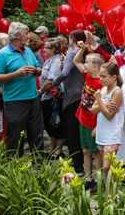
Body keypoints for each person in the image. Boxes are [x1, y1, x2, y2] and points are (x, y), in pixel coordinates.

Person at [0, 22, 43, 158]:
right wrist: (16, 74)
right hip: (15, 101)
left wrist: (35, 70)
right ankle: (15, 167)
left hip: (32, 99)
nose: (29, 36)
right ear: (18, 35)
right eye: (26, 33)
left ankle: (39, 165)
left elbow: (40, 70)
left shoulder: (28, 51)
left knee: (36, 133)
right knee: (16, 136)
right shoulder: (2, 54)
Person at [72, 39, 105, 193]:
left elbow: (103, 106)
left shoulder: (101, 83)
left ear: (95, 66)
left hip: (93, 121)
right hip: (82, 117)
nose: (84, 64)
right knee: (85, 150)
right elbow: (75, 60)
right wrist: (83, 49)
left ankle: (99, 182)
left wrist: (99, 126)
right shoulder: (87, 76)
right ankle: (88, 178)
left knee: (95, 152)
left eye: (87, 62)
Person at [53, 29, 87, 174]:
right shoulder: (86, 53)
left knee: (72, 133)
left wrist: (55, 82)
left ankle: (76, 166)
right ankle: (85, 165)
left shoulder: (72, 54)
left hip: (72, 98)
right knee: (81, 132)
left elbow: (65, 73)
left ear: (72, 39)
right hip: (84, 96)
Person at [91, 62, 123, 181]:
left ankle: (112, 193)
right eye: (100, 76)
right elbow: (93, 110)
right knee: (107, 168)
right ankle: (110, 193)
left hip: (112, 134)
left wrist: (99, 100)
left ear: (114, 77)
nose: (101, 79)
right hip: (102, 133)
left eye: (104, 76)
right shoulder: (103, 90)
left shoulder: (117, 92)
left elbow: (109, 115)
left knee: (107, 167)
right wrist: (103, 103)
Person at [39, 38, 66, 158]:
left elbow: (51, 81)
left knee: (56, 121)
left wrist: (40, 91)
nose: (44, 50)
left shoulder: (56, 61)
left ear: (53, 49)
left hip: (53, 97)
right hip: (47, 97)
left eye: (46, 48)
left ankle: (59, 150)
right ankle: (52, 148)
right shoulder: (49, 60)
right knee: (50, 122)